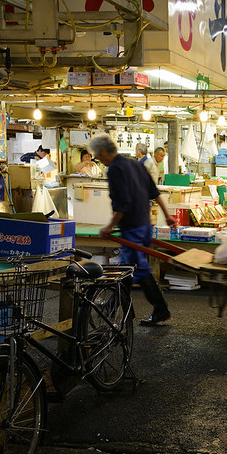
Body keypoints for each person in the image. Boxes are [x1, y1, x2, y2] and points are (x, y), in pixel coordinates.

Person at [91, 134, 177, 326]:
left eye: (98, 156)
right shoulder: (136, 164)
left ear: (104, 151)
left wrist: (109, 227)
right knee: (127, 268)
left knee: (137, 269)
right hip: (145, 226)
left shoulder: (114, 169)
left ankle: (161, 309)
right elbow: (155, 193)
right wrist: (168, 215)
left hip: (132, 228)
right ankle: (113, 306)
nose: (100, 160)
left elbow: (122, 205)